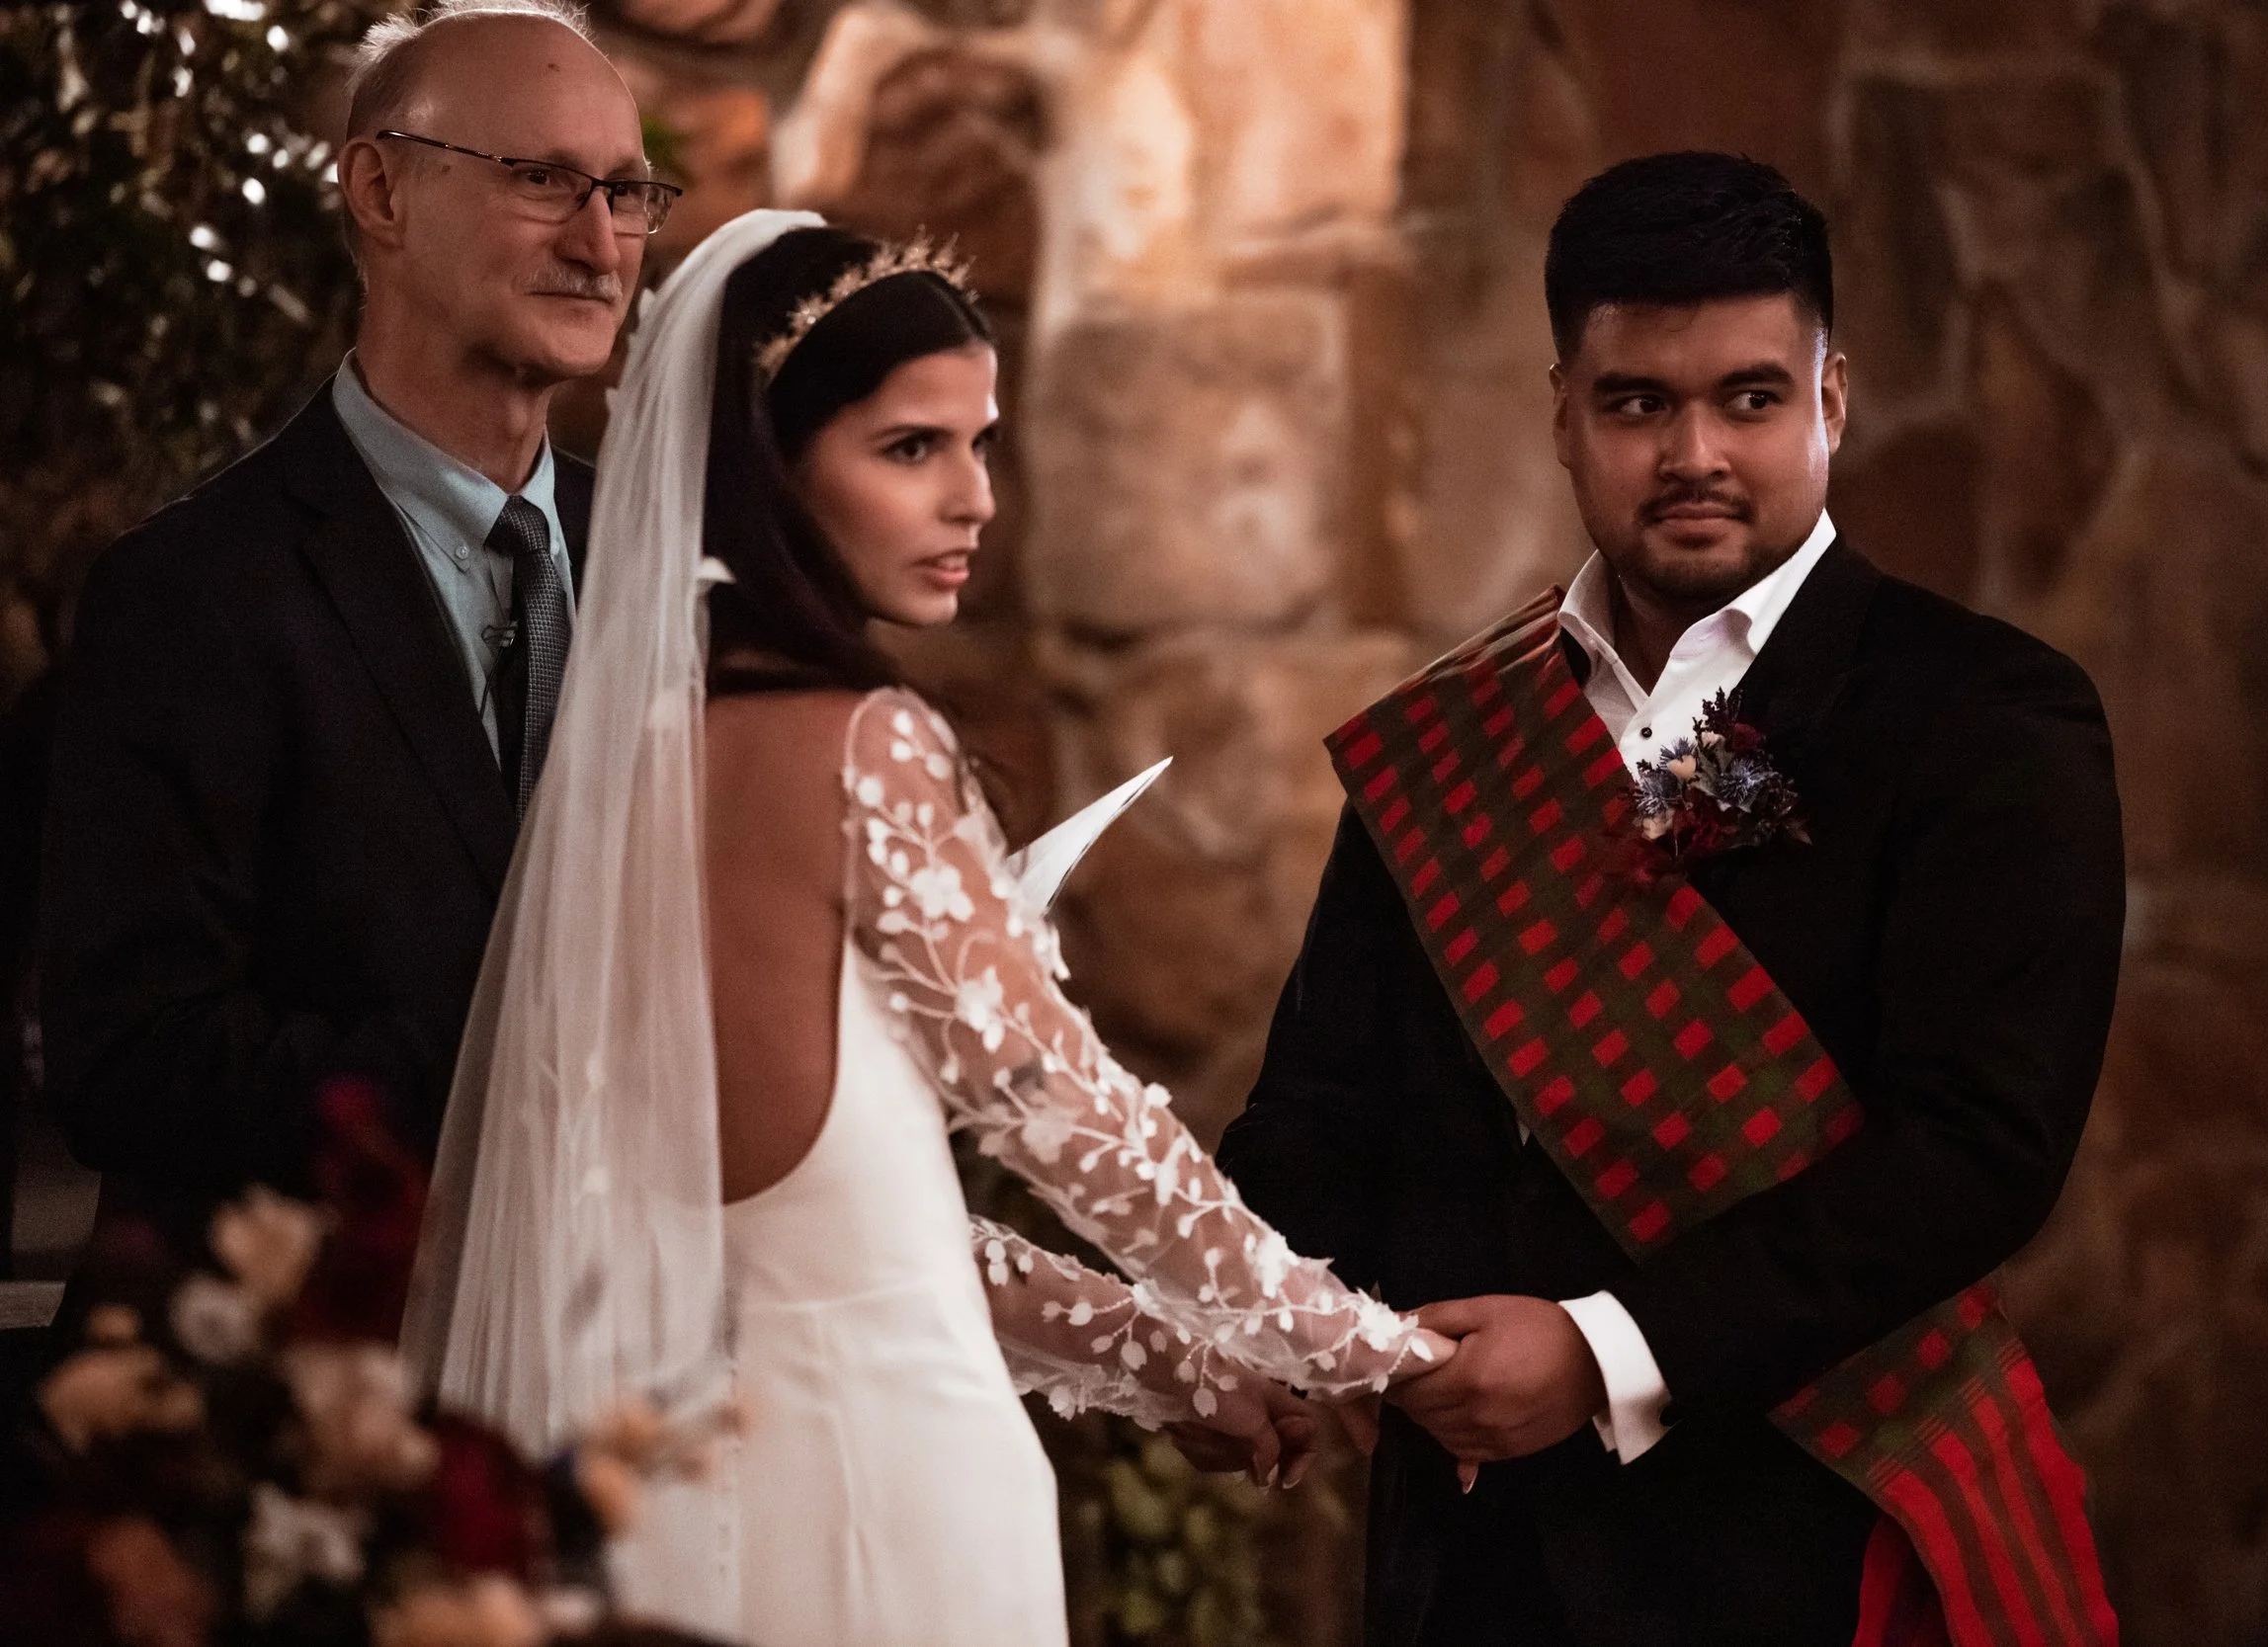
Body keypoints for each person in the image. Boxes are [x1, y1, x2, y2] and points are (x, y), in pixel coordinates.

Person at [400, 214, 1452, 1647]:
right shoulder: (866, 746)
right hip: (887, 1486)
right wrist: (1380, 1353)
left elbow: (847, 1233)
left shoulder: (623, 777)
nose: (974, 500)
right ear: (767, 468)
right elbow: (1075, 1124)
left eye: (980, 443)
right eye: (910, 448)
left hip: (678, 1502)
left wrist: (1168, 1357)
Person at [1218, 153, 2128, 1647]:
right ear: (1562, 413)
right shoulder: (1453, 733)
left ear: (1833, 400)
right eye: (1637, 402)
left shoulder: (1982, 714)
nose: (1693, 451)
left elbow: (1977, 1149)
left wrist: (1604, 1350)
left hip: (1798, 1541)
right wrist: (1262, 1317)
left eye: (1750, 398)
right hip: (1463, 1562)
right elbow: (1318, 1107)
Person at [39, 0, 664, 1260]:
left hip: (614, 1336)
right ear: (380, 192)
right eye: (543, 180)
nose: (600, 242)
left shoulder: (670, 567)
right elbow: (131, 1062)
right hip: (313, 1344)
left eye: (629, 193)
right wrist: (527, 1062)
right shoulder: (188, 593)